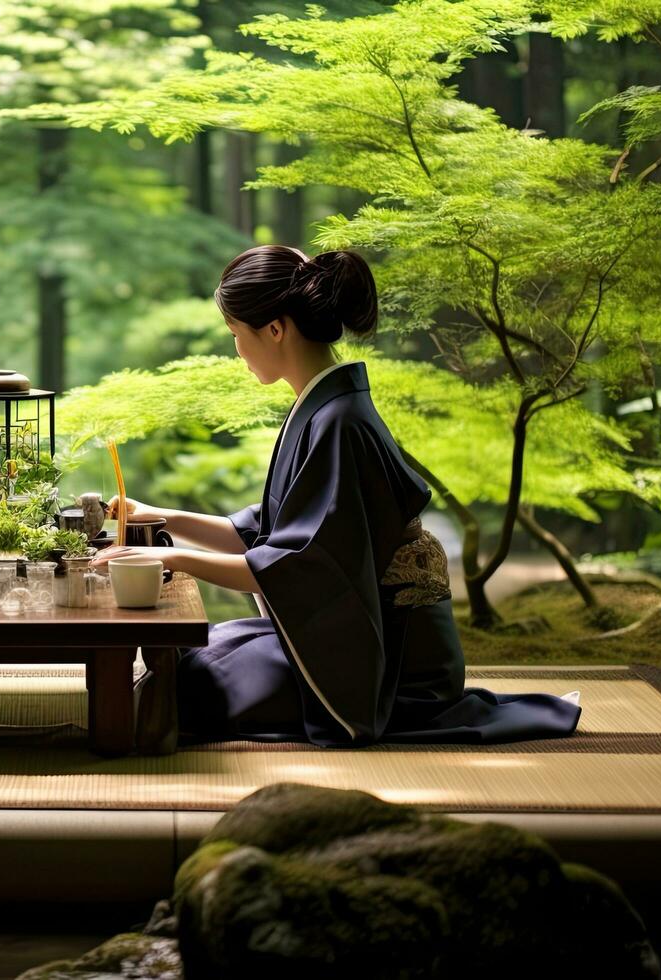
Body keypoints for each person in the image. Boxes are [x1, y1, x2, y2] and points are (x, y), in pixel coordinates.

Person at [93, 245, 580, 747]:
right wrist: (162, 516)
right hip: (360, 631)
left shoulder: (338, 420)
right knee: (199, 656)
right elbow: (266, 536)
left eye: (237, 334)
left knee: (191, 688)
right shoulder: (328, 408)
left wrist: (169, 557)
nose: (236, 349)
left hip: (389, 663)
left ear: (276, 329)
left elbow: (298, 566)